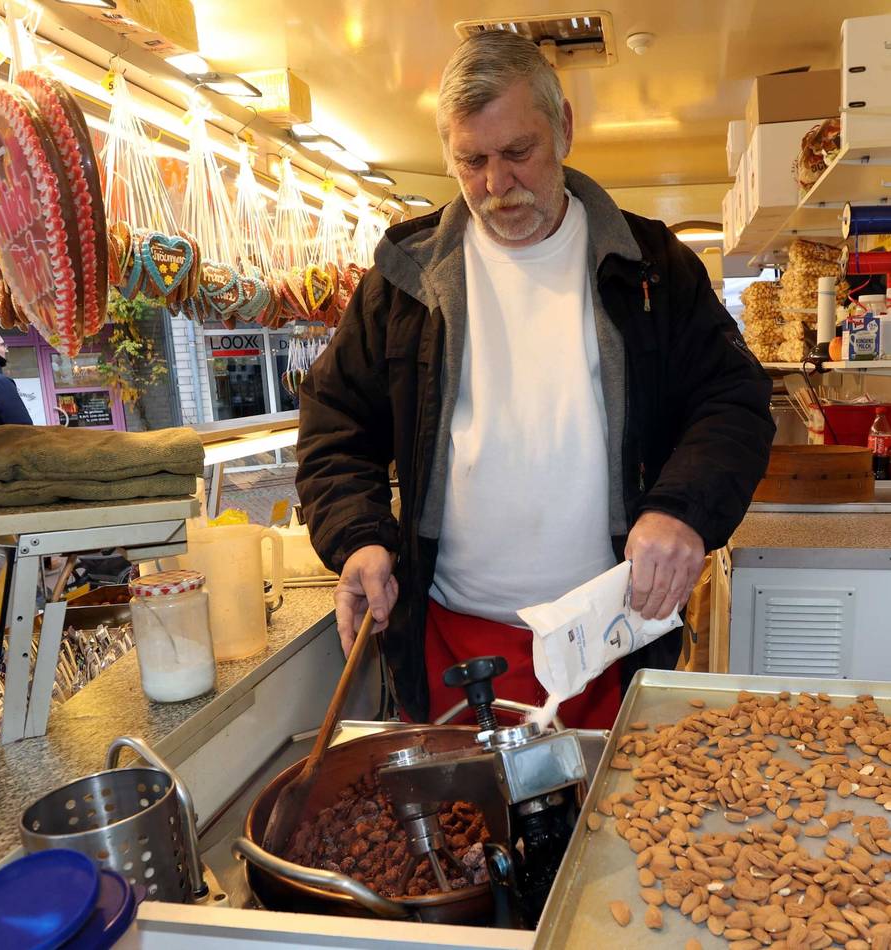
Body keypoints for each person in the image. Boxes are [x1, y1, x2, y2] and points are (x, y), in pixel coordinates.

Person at [296, 31, 775, 727]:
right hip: (446, 642)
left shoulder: (653, 266)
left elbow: (733, 401)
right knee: (458, 834)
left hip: (608, 642)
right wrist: (360, 536)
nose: (497, 185)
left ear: (564, 130)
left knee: (601, 830)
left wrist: (681, 508)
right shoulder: (402, 279)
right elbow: (334, 425)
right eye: (473, 161)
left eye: (518, 153)